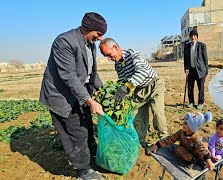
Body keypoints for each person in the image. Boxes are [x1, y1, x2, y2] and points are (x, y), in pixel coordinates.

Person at [39, 12, 107, 180]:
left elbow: (91, 74)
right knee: (75, 133)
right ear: (88, 29)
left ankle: (89, 157)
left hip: (79, 93)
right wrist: (90, 101)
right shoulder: (64, 42)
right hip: (61, 97)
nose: (100, 38)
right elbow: (69, 77)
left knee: (87, 127)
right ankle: (83, 172)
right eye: (98, 34)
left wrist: (104, 91)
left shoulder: (90, 44)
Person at [99, 38, 168, 147]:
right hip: (138, 91)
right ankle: (140, 142)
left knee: (158, 115)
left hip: (154, 86)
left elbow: (143, 71)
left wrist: (126, 88)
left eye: (108, 54)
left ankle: (165, 141)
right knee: (138, 118)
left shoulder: (132, 53)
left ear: (115, 47)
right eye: (105, 56)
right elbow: (123, 81)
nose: (108, 58)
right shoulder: (118, 65)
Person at [149, 112, 215, 170]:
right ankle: (193, 160)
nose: (183, 124)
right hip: (187, 152)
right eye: (184, 122)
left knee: (203, 147)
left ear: (192, 127)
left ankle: (202, 161)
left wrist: (208, 160)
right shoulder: (181, 132)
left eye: (186, 123)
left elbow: (201, 149)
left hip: (198, 153)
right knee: (177, 148)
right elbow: (170, 139)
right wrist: (157, 145)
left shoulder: (196, 137)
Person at [184, 29, 209, 110]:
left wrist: (206, 70)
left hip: (200, 70)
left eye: (194, 36)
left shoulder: (202, 46)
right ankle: (191, 102)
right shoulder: (187, 46)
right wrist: (186, 68)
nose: (193, 37)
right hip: (191, 70)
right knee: (190, 87)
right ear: (190, 37)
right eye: (191, 36)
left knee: (200, 88)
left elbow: (205, 59)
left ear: (197, 37)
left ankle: (200, 103)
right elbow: (186, 59)